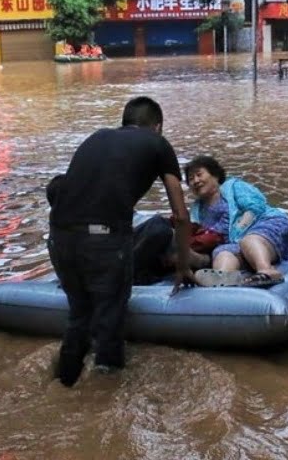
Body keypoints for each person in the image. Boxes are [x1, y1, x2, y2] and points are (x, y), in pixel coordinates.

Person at [47, 96, 193, 387]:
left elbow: (62, 187)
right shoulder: (157, 143)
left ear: (124, 122)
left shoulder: (96, 138)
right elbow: (180, 213)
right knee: (109, 322)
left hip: (59, 239)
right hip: (103, 241)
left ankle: (63, 384)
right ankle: (103, 403)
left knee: (79, 317)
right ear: (158, 126)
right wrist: (183, 265)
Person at [182, 155, 288, 286]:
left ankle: (267, 271)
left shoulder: (234, 187)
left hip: (266, 225)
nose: (195, 181)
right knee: (222, 253)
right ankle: (223, 279)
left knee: (247, 240)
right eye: (191, 179)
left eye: (199, 175)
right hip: (235, 243)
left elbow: (256, 207)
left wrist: (240, 228)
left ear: (215, 175)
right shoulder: (197, 210)